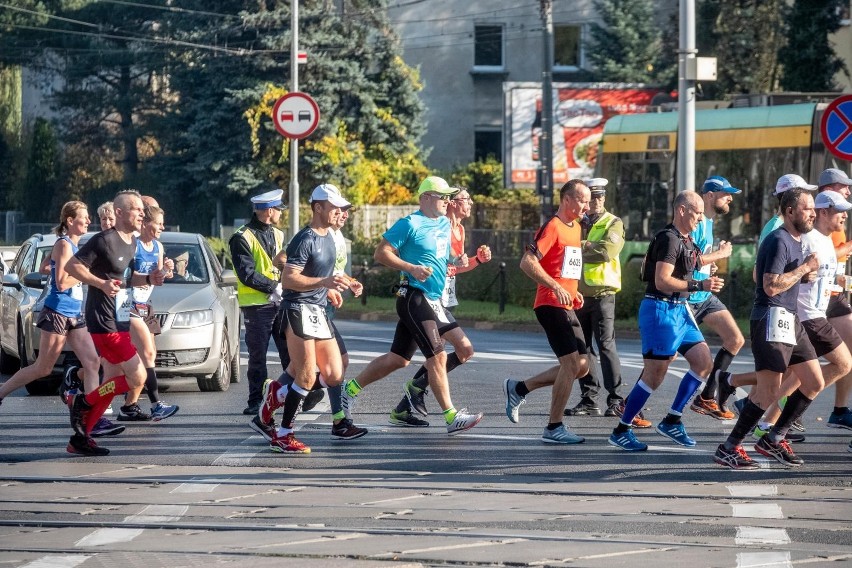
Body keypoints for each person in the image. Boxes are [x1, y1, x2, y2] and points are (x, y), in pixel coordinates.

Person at [340, 176, 483, 435]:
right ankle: (451, 416)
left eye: (450, 198)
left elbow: (443, 254)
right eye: (443, 197)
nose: (447, 202)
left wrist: (458, 259)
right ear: (426, 198)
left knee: (398, 360)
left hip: (434, 300)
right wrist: (411, 268)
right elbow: (381, 252)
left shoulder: (442, 223)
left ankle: (348, 390)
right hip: (413, 296)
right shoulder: (409, 223)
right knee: (437, 356)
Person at [713, 188, 823, 469]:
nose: (814, 213)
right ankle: (729, 447)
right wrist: (803, 269)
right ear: (789, 211)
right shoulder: (778, 240)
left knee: (813, 381)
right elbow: (770, 285)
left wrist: (805, 273)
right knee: (768, 390)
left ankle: (773, 438)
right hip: (771, 319)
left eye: (814, 208)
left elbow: (788, 279)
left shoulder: (797, 240)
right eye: (808, 208)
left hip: (790, 318)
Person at [608, 191, 723, 452]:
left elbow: (691, 265)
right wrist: (699, 284)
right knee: (654, 375)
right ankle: (622, 429)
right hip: (661, 309)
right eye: (697, 213)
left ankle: (673, 420)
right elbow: (662, 280)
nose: (700, 218)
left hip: (680, 309)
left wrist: (706, 271)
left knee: (703, 361)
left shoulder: (688, 240)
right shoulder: (669, 239)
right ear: (681, 210)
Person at [252, 184, 367, 443]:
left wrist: (346, 282)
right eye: (335, 208)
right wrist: (323, 284)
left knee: (335, 373)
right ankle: (284, 434)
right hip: (297, 310)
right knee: (304, 375)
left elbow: (324, 273)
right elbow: (289, 279)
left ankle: (276, 395)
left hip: (317, 311)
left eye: (342, 208)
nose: (341, 213)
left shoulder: (329, 237)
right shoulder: (306, 238)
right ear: (318, 208)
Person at [64, 190, 168, 456]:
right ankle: (83, 401)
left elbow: (127, 281)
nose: (142, 214)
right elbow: (72, 267)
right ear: (120, 212)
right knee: (138, 376)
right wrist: (100, 283)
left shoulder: (132, 242)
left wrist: (149, 279)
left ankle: (81, 437)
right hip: (103, 319)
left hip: (120, 316)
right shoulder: (103, 240)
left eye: (143, 211)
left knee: (113, 379)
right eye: (136, 210)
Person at [0, 202, 119, 434]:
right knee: (43, 368)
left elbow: (50, 268)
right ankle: (1, 392)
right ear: (70, 221)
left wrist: (81, 273)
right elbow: (63, 282)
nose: (88, 221)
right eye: (83, 217)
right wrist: (89, 276)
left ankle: (92, 418)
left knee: (93, 363)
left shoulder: (75, 246)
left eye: (87, 217)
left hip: (75, 313)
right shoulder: (64, 245)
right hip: (57, 312)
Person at [388, 186, 492, 425]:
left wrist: (475, 260)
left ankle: (406, 404)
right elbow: (435, 261)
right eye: (466, 199)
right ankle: (426, 399)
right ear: (453, 202)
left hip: (442, 298)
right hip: (425, 297)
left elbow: (453, 267)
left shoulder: (458, 229)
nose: (471, 203)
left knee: (440, 354)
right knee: (436, 355)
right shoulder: (438, 224)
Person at [501, 179, 591, 444]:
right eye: (583, 200)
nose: (587, 205)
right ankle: (554, 427)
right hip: (550, 303)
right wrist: (555, 286)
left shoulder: (575, 228)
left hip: (566, 302)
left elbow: (564, 267)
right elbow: (527, 262)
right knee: (571, 363)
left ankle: (519, 388)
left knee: (582, 367)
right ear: (567, 200)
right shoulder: (553, 226)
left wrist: (572, 290)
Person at [564, 177, 627, 419]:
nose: (596, 202)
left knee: (606, 345)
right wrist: (587, 245)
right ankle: (589, 399)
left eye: (600, 197)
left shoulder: (614, 222)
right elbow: (566, 250)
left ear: (605, 198)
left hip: (602, 293)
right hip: (579, 294)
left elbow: (606, 252)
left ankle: (616, 399)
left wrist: (579, 247)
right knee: (583, 348)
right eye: (592, 198)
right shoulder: (578, 222)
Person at [685, 176, 745, 421]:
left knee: (735, 339)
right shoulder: (697, 222)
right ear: (710, 195)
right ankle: (627, 405)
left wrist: (711, 270)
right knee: (663, 358)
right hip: (687, 297)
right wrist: (720, 253)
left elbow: (700, 261)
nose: (730, 198)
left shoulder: (709, 222)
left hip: (705, 295)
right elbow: (689, 260)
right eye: (725, 193)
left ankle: (706, 397)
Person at [229, 189, 288, 415]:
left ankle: (291, 394)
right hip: (256, 306)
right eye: (279, 210)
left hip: (279, 303)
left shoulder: (278, 235)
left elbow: (282, 266)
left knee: (289, 352)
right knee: (257, 357)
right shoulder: (241, 238)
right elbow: (247, 274)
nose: (281, 214)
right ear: (269, 211)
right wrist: (274, 286)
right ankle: (255, 401)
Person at [117, 205, 179, 422]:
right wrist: (147, 276)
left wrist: (166, 270)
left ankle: (129, 405)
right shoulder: (133, 245)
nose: (162, 227)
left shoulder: (158, 247)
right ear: (145, 224)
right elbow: (124, 274)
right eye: (158, 223)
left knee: (123, 362)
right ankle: (155, 405)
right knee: (148, 354)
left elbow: (159, 278)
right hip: (127, 304)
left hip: (145, 305)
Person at [817, 168, 852, 431]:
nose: (849, 191)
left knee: (847, 354)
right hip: (819, 297)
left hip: (835, 293)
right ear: (829, 189)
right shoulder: (823, 216)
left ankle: (839, 410)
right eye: (844, 186)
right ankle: (757, 402)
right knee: (797, 363)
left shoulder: (839, 217)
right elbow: (826, 253)